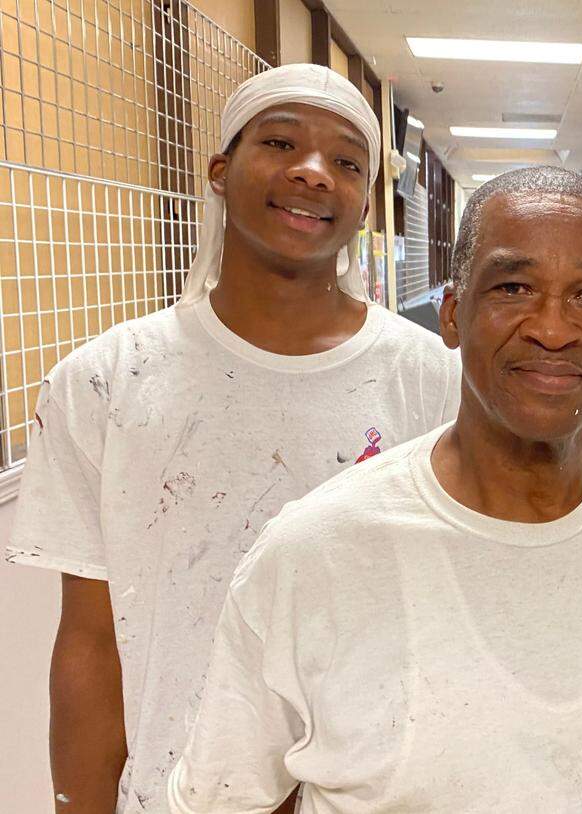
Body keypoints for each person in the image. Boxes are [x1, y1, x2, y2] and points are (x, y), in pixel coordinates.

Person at [167, 166, 582, 813]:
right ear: (453, 315)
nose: (554, 329)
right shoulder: (319, 552)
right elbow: (220, 800)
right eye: (514, 288)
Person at [5, 64, 461, 814]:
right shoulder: (105, 383)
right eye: (281, 143)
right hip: (181, 793)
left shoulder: (433, 384)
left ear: (368, 203)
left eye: (347, 161)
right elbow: (91, 645)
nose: (313, 173)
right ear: (220, 170)